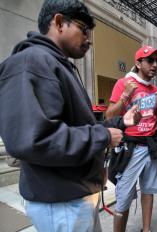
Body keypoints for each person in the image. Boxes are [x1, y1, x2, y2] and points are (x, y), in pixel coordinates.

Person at [0, 0, 140, 231]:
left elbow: (78, 125)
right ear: (58, 22)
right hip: (61, 202)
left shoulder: (58, 65)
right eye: (83, 29)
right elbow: (35, 140)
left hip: (75, 196)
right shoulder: (31, 63)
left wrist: (119, 123)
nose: (90, 39)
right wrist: (102, 137)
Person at [106, 45, 157, 232]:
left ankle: (146, 229)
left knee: (148, 190)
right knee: (123, 198)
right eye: (150, 61)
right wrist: (125, 96)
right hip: (130, 148)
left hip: (151, 145)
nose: (155, 65)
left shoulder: (155, 89)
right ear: (138, 63)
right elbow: (109, 117)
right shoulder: (124, 84)